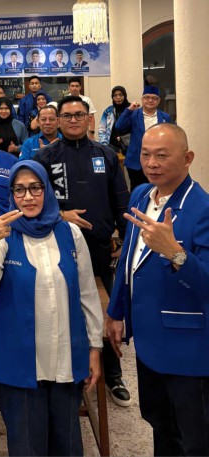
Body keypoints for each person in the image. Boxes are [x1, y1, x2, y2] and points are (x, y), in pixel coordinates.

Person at [0, 160, 103, 456]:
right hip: (19, 364)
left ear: (47, 190)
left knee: (67, 445)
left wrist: (94, 348)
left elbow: (87, 294)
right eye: (19, 190)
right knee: (27, 446)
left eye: (35, 188)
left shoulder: (70, 233)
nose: (27, 197)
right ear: (11, 195)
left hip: (65, 359)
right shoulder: (3, 235)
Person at [107, 123, 209, 456]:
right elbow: (128, 259)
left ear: (188, 158)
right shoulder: (141, 194)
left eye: (162, 156)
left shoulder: (202, 209)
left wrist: (176, 253)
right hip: (148, 340)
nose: (151, 163)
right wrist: (116, 311)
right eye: (146, 154)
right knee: (160, 425)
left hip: (187, 348)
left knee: (193, 438)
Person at [34, 95, 132, 407]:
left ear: (89, 119)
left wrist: (124, 241)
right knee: (64, 311)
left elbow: (122, 202)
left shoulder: (106, 155)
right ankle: (70, 374)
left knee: (108, 313)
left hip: (100, 249)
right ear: (58, 120)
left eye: (79, 115)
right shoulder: (44, 157)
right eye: (67, 115)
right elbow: (33, 203)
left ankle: (114, 374)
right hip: (58, 247)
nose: (74, 120)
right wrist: (61, 215)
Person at [115, 85, 171, 190]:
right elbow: (119, 126)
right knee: (137, 190)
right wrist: (129, 110)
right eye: (147, 97)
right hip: (136, 161)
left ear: (158, 101)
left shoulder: (165, 117)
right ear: (142, 99)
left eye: (154, 98)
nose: (150, 100)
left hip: (158, 161)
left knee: (157, 189)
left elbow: (170, 136)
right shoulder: (134, 114)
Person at [98, 85, 131, 152]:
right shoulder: (108, 111)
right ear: (112, 97)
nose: (118, 97)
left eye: (120, 95)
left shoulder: (131, 109)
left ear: (125, 96)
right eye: (115, 95)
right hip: (111, 147)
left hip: (129, 146)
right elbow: (102, 129)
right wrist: (104, 145)